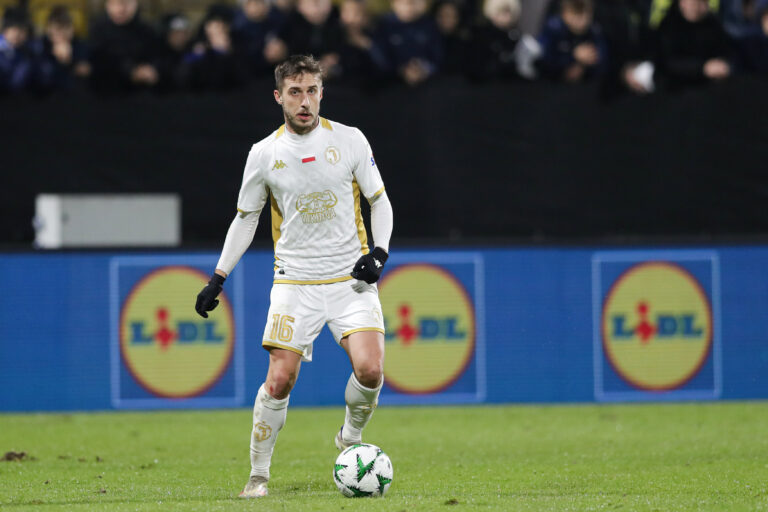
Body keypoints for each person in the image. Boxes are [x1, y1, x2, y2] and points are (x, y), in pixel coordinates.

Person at [194, 54, 394, 499]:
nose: (305, 101)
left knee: (371, 369)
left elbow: (379, 202)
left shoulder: (350, 140)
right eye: (295, 92)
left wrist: (378, 254)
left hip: (349, 279)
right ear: (278, 97)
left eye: (312, 91)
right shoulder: (264, 154)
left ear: (322, 92)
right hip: (295, 282)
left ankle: (349, 438)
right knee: (280, 378)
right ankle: (258, 476)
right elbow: (246, 218)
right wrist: (218, 277)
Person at [655, 0, 733, 87]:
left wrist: (723, 66)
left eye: (702, 2)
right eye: (693, 3)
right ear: (682, 3)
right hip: (674, 87)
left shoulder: (714, 24)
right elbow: (667, 63)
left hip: (708, 86)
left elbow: (726, 53)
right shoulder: (668, 25)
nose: (696, 8)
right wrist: (703, 68)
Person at [89, 0, 160, 92]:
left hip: (144, 90)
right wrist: (131, 71)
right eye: (114, 4)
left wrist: (152, 69)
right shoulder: (98, 29)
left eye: (126, 3)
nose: (120, 9)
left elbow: (158, 55)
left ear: (135, 4)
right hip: (108, 91)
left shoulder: (148, 29)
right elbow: (100, 59)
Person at [371, 0, 444, 85]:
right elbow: (380, 56)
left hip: (428, 80)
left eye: (414, 2)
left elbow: (438, 55)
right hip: (392, 82)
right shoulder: (383, 25)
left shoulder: (430, 24)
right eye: (404, 3)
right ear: (394, 4)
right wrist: (401, 70)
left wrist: (424, 68)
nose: (409, 7)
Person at [537, 0, 608, 83]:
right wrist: (573, 56)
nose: (582, 21)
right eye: (576, 14)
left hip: (583, 85)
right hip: (551, 84)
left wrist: (584, 65)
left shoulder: (594, 32)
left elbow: (603, 63)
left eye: (586, 14)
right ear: (564, 13)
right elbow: (542, 61)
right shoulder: (553, 29)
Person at [33, 5, 91, 93]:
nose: (62, 34)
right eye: (58, 29)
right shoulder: (40, 46)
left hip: (74, 96)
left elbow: (85, 71)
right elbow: (41, 78)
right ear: (48, 30)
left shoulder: (80, 45)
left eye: (66, 28)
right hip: (45, 96)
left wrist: (68, 61)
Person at [0, 8, 34, 94]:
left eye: (22, 30)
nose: (17, 34)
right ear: (5, 29)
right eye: (14, 29)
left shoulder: (30, 51)